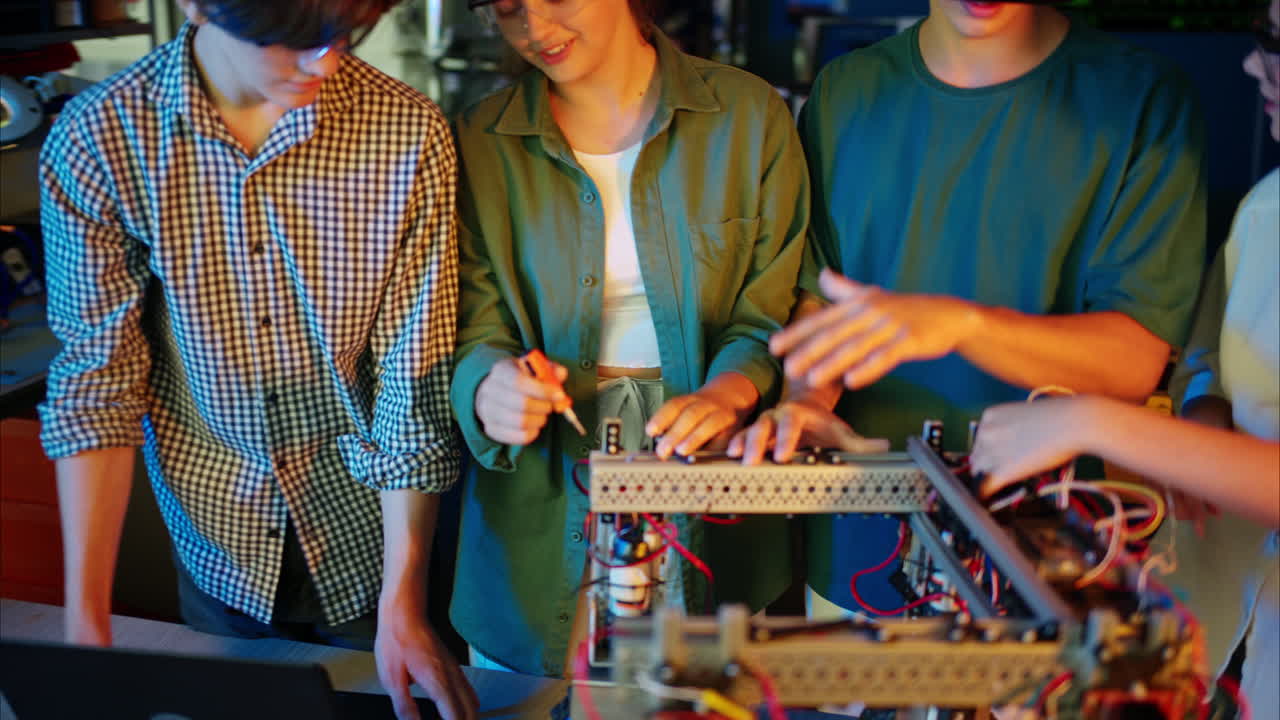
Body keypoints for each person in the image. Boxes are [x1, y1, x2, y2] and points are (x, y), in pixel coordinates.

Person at [38, 1, 475, 718]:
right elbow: (100, 388)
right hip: (217, 538)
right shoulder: (102, 138)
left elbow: (411, 375)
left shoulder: (405, 130)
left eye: (346, 35)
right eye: (290, 41)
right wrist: (86, 630)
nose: (325, 62)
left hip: (374, 531)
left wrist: (406, 599)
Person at [731, 0, 1207, 618]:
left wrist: (959, 325)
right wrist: (805, 401)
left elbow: (1134, 358)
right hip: (858, 544)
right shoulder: (846, 89)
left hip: (1048, 559)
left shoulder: (1142, 99)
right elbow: (819, 300)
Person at [449, 0, 809, 686]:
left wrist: (727, 390)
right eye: (507, 10)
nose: (536, 29)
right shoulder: (475, 140)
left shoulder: (747, 117)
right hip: (539, 486)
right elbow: (469, 324)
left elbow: (770, 312)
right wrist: (487, 386)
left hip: (709, 475)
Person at [975, 3, 1280, 713]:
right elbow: (1213, 345)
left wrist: (1091, 422)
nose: (1248, 62)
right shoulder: (1268, 207)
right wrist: (1203, 409)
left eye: (1271, 41)